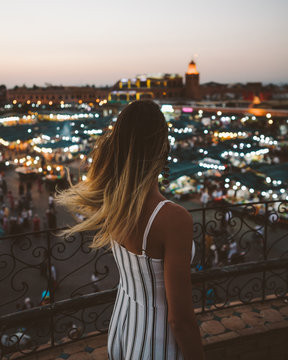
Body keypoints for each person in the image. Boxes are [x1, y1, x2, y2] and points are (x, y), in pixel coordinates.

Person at [56, 100, 205, 360]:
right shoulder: (173, 218)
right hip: (159, 344)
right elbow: (180, 319)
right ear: (162, 147)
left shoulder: (114, 202)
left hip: (122, 329)